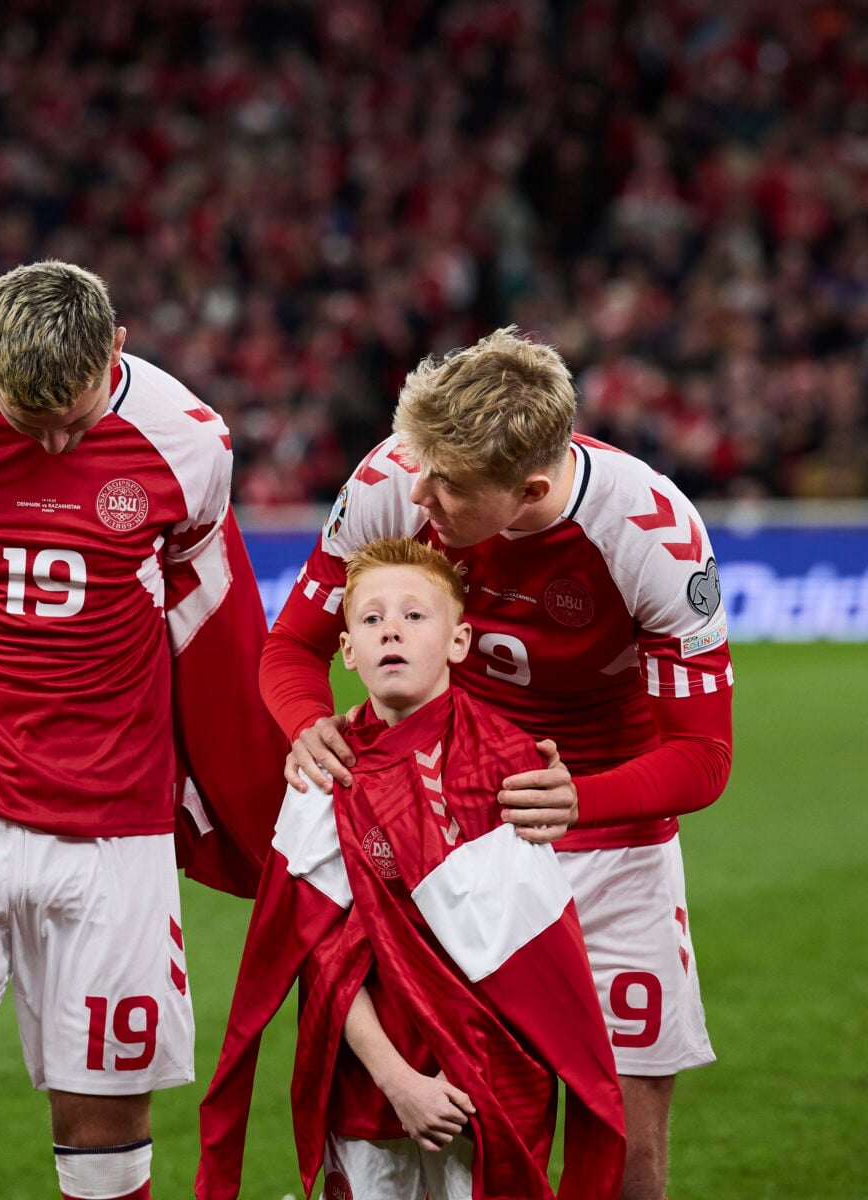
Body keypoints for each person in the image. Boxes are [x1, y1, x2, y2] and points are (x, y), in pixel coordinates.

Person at [0, 260, 283, 1200]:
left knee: (108, 1117)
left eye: (74, 419)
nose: (51, 441)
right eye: (26, 416)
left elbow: (208, 624)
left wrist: (238, 786)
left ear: (116, 347)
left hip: (116, 820)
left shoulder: (187, 439)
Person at [261, 328, 732, 1200]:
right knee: (453, 1137)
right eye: (421, 467)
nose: (419, 493)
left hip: (611, 841)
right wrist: (307, 723)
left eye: (448, 485)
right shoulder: (390, 480)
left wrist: (578, 799)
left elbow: (704, 756)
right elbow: (292, 646)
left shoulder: (652, 532)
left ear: (530, 491)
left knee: (625, 1151)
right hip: (449, 841)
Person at [199, 537, 625, 1200]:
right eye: (371, 618)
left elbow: (526, 954)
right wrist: (399, 1080)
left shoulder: (506, 767)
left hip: (489, 1080)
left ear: (459, 641)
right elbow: (316, 953)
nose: (391, 629)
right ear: (347, 650)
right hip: (368, 1083)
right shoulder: (323, 772)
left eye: (414, 615)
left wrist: (466, 1072)